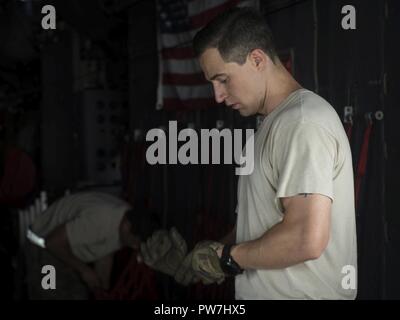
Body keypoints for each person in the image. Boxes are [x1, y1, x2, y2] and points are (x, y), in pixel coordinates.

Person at [160, 7, 357, 300]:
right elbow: (266, 225)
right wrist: (210, 254)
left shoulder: (302, 122)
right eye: (212, 83)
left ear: (257, 59)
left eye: (223, 79)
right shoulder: (272, 124)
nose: (217, 96)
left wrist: (228, 257)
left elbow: (306, 238)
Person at [24, 191, 183, 299]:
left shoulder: (125, 220)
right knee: (52, 293)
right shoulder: (100, 220)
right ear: (127, 227)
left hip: (64, 251)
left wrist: (102, 289)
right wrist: (85, 270)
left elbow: (104, 254)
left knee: (79, 295)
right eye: (136, 242)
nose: (136, 247)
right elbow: (53, 242)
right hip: (44, 249)